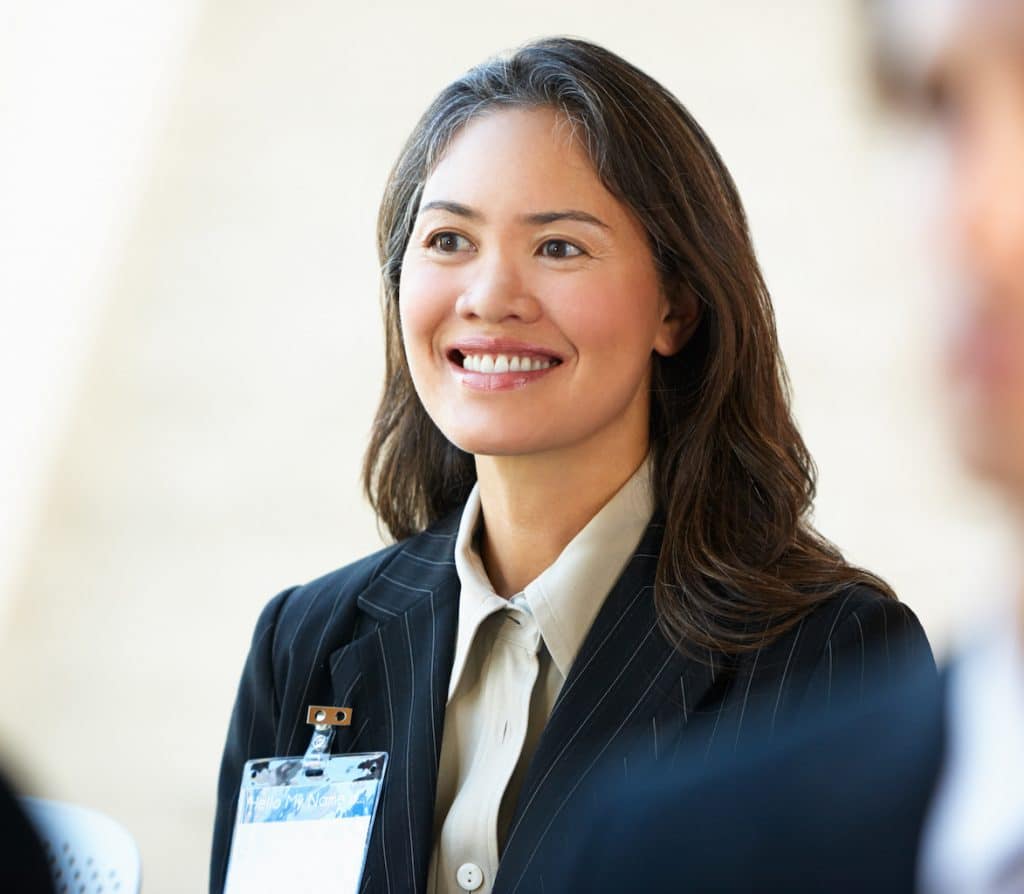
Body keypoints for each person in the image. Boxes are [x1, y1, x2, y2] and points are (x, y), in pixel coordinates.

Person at [209, 36, 931, 894]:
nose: (489, 295)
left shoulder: (831, 660)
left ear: (679, 306)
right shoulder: (306, 643)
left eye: (558, 248)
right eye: (448, 240)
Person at [555, 3, 1024, 892]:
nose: (979, 221)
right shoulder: (673, 855)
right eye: (934, 104)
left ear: (678, 306)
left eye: (562, 248)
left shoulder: (835, 636)